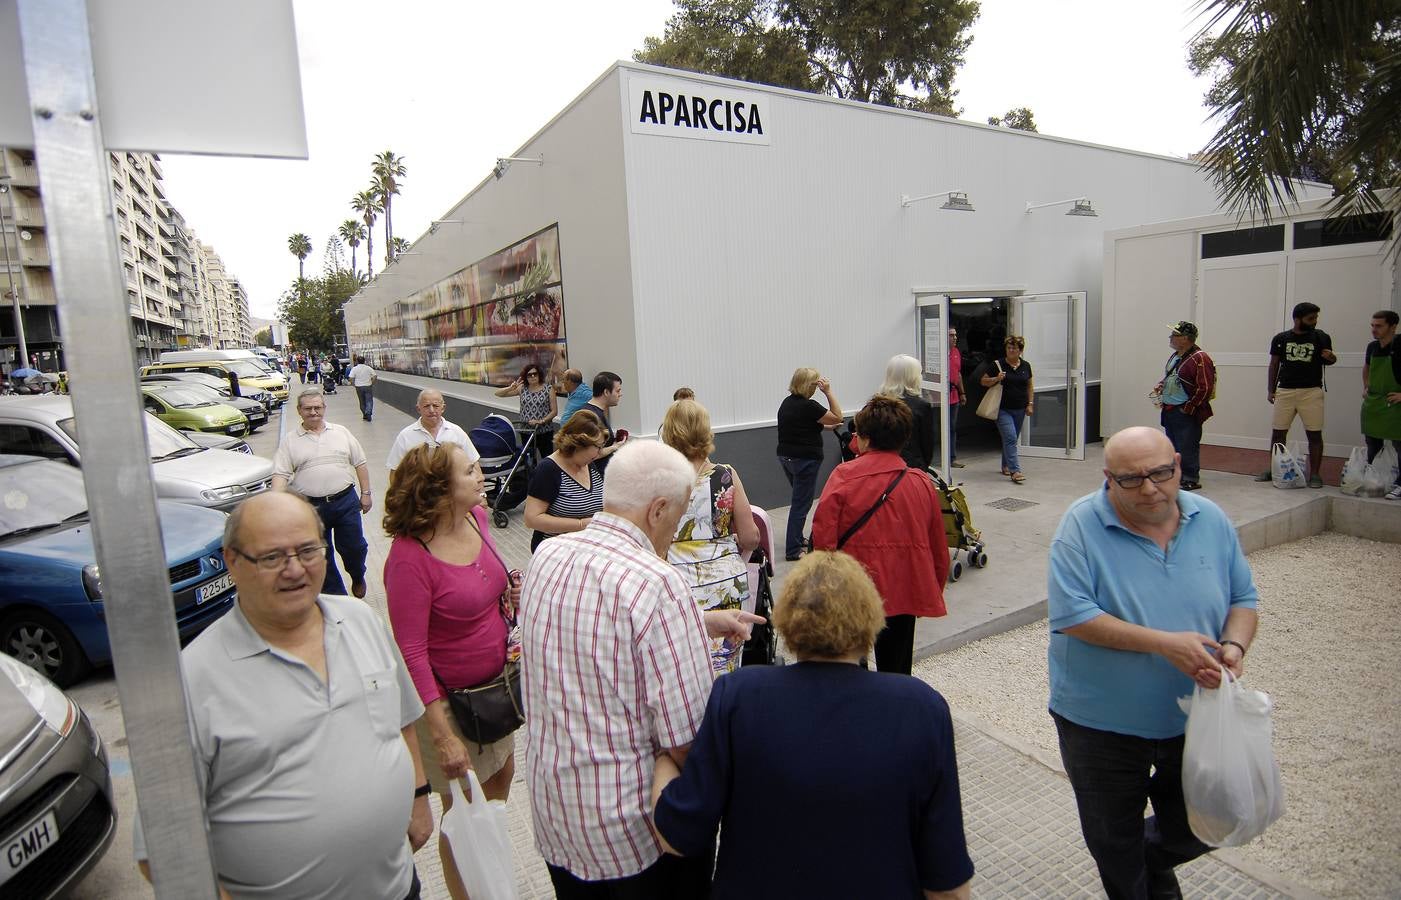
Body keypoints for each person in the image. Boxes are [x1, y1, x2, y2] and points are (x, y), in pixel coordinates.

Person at [133, 492, 432, 899]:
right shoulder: (190, 681)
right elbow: (163, 849)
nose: (295, 570)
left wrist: (417, 797)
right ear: (232, 561)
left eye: (308, 550)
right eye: (272, 557)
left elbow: (400, 719)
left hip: (398, 888)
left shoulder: (361, 620)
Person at [651, 551, 974, 900]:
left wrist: (663, 760)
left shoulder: (739, 696)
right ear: (871, 617)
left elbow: (677, 835)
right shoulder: (921, 709)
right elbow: (948, 887)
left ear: (788, 619)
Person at [520, 440, 762, 898]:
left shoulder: (548, 556)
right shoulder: (658, 583)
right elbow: (687, 739)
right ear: (657, 510)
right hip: (633, 837)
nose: (674, 532)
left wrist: (701, 621)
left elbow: (595, 629)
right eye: (677, 517)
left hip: (558, 816)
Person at [1048, 426, 1259, 900]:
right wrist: (1165, 644)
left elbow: (1243, 598)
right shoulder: (1080, 525)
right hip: (1099, 725)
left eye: (1161, 474)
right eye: (1130, 479)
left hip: (1193, 716)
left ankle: (1134, 858)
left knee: (1205, 823)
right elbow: (1073, 615)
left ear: (1179, 466)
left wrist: (1235, 648)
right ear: (1108, 479)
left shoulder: (1211, 518)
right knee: (1114, 846)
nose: (1149, 488)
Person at [382, 444, 521, 900]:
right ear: (440, 490)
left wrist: (508, 597)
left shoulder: (476, 520)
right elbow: (412, 652)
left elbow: (486, 585)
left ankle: (491, 874)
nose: (482, 475)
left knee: (499, 781)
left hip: (494, 692)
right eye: (471, 470)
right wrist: (442, 736)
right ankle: (469, 891)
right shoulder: (408, 558)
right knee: (461, 809)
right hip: (449, 706)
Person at [811, 395, 950, 674]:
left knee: (848, 667)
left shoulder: (843, 476)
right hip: (903, 589)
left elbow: (823, 540)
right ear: (905, 438)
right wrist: (933, 584)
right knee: (897, 670)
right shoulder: (920, 483)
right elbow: (938, 546)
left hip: (853, 589)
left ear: (863, 438)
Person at [660, 399, 760, 674]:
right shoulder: (725, 475)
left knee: (683, 665)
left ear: (668, 433)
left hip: (677, 584)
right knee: (724, 665)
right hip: (725, 581)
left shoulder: (660, 480)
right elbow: (751, 537)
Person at [272, 389, 373, 598]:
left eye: (317, 407)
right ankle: (338, 599)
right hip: (311, 508)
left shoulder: (341, 432)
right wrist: (276, 506)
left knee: (354, 547)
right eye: (308, 408)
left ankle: (357, 575)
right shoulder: (290, 441)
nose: (313, 412)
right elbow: (280, 475)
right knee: (320, 555)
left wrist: (366, 493)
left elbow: (360, 463)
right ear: (299, 411)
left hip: (345, 501)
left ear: (324, 408)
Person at [1254, 301, 1336, 488]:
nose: (1314, 321)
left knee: (1314, 434)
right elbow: (1274, 364)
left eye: (1316, 318)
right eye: (1310, 318)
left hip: (1311, 391)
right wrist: (1270, 389)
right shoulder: (1281, 338)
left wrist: (1331, 357)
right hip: (1286, 390)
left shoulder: (1321, 337)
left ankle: (1314, 474)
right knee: (1278, 433)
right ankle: (1274, 468)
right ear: (1297, 319)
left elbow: (1331, 359)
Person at [776, 367, 843, 561]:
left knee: (799, 499)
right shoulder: (809, 405)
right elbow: (837, 415)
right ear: (810, 386)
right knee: (801, 504)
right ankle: (793, 550)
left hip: (786, 458)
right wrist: (828, 392)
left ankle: (797, 538)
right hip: (805, 460)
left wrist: (825, 427)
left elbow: (801, 425)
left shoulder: (787, 403)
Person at [524, 410, 607, 551]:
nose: (599, 453)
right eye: (597, 447)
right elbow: (532, 519)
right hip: (557, 552)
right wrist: (580, 524)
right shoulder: (548, 470)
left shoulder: (588, 464)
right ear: (579, 444)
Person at [1154, 321, 1216, 492]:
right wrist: (1162, 385)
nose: (1171, 338)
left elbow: (1205, 388)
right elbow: (1172, 376)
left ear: (1186, 339)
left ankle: (1190, 478)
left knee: (1187, 445)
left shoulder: (1200, 358)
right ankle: (1175, 474)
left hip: (1185, 410)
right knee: (1173, 444)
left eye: (1175, 335)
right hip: (1170, 408)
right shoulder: (1176, 356)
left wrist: (1190, 407)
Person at [979, 335, 1035, 484]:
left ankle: (1005, 464)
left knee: (1011, 438)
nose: (1011, 351)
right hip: (1002, 409)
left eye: (1014, 348)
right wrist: (996, 379)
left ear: (1020, 351)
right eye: (1008, 348)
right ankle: (1015, 471)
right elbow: (983, 381)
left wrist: (1030, 403)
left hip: (1020, 408)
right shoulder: (998, 364)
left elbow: (1029, 385)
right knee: (1010, 437)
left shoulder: (1026, 366)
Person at [386, 389, 478, 471]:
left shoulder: (457, 432)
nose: (431, 410)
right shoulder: (405, 436)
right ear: (418, 409)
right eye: (426, 406)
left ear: (443, 408)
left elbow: (474, 462)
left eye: (435, 405)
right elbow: (395, 469)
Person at [1362, 309, 1401, 500]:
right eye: (1372, 326)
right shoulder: (1372, 347)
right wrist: (1366, 387)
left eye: (1379, 326)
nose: (1374, 329)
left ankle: (1400, 484)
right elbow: (1367, 368)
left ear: (1393, 327)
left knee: (1399, 444)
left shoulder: (1400, 345)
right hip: (1375, 403)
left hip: (1395, 402)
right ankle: (1374, 480)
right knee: (1372, 442)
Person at [877, 353, 934, 470]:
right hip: (911, 467)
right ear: (912, 377)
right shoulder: (921, 406)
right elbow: (927, 444)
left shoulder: (876, 403)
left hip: (880, 467)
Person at [495, 362, 558, 454]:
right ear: (526, 377)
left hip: (544, 430)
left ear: (539, 375)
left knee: (546, 455)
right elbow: (498, 394)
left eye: (535, 374)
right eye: (529, 375)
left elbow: (554, 411)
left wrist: (541, 421)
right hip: (526, 430)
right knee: (528, 458)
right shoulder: (522, 388)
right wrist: (510, 388)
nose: (533, 377)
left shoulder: (548, 389)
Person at [584, 370, 629, 470]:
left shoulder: (596, 411)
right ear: (606, 392)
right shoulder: (591, 416)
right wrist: (615, 446)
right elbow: (591, 454)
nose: (620, 394)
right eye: (618, 391)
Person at [947, 327, 966, 467]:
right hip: (940, 396)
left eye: (955, 335)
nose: (955, 338)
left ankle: (952, 458)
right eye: (951, 335)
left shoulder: (956, 352)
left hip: (954, 395)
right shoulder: (938, 353)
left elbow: (958, 374)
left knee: (952, 427)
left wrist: (962, 392)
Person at [348, 354, 378, 422]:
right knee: (369, 400)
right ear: (364, 361)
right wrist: (372, 382)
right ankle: (369, 413)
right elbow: (375, 376)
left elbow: (351, 378)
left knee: (362, 401)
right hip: (368, 386)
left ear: (357, 361)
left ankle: (365, 414)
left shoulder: (354, 369)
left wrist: (353, 384)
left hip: (359, 387)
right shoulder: (368, 368)